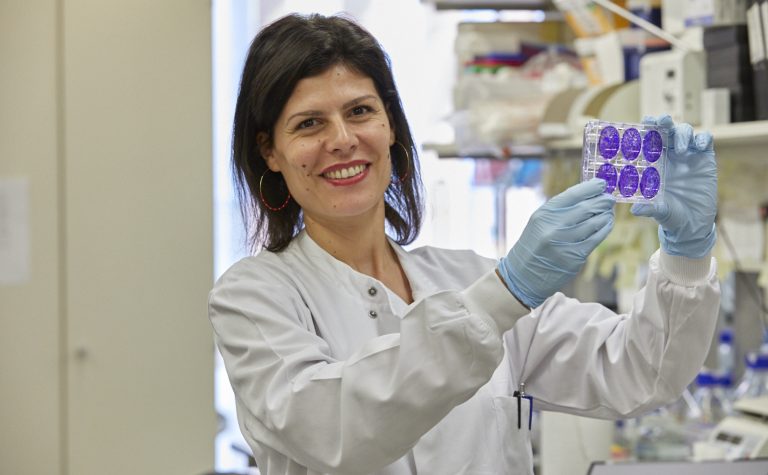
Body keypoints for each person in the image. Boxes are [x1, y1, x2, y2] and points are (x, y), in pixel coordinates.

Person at [208, 13, 720, 475]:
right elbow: (333, 431)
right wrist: (504, 295)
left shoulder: (468, 277)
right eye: (309, 123)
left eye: (360, 111)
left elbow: (640, 372)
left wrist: (687, 252)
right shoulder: (254, 298)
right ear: (270, 151)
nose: (342, 139)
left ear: (389, 127)